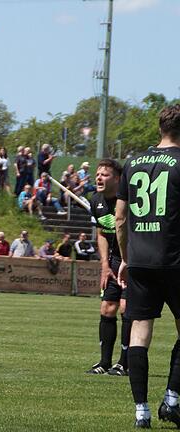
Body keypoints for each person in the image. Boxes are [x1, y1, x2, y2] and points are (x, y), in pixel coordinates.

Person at [116, 105, 180, 429]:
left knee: (140, 332)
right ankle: (172, 398)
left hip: (139, 260)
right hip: (175, 259)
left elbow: (119, 218)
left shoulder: (132, 162)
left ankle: (141, 411)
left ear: (159, 128)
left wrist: (125, 258)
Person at [86, 159, 130, 376]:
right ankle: (104, 362)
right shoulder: (95, 200)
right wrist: (104, 264)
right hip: (112, 262)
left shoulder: (132, 200)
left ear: (118, 179)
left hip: (133, 261)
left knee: (126, 308)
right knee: (107, 308)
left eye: (104, 174)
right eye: (98, 174)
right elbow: (102, 233)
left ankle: (125, 362)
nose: (99, 178)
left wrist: (128, 260)